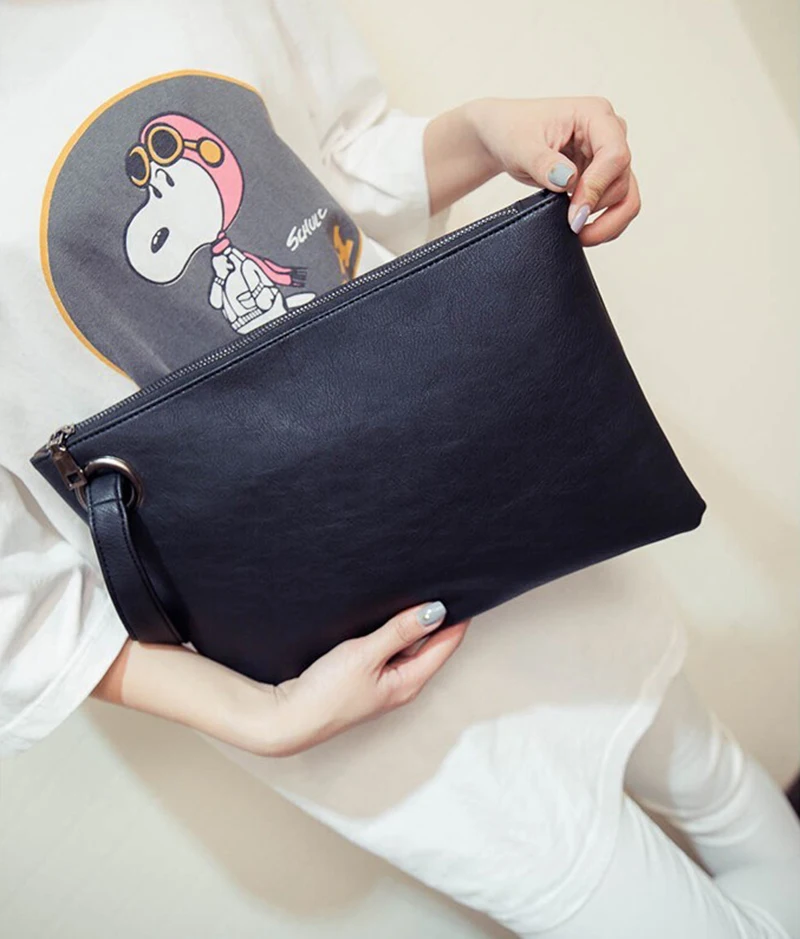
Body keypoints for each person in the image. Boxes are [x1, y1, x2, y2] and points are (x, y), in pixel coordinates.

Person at [0, 1, 798, 936]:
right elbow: (24, 606)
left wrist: (486, 132)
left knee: (716, 784)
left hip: (483, 488)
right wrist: (268, 718)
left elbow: (337, 165)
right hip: (323, 667)